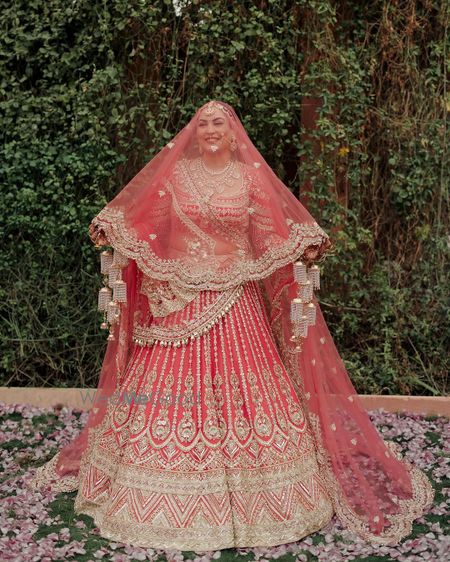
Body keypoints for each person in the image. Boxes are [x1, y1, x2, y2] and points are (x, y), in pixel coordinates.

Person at [26, 100, 434, 551]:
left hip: (236, 299)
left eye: (218, 123)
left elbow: (269, 231)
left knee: (249, 388)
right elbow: (149, 222)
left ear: (233, 131)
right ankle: (150, 492)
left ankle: (271, 493)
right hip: (177, 298)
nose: (210, 130)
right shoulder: (177, 174)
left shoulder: (249, 178)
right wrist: (113, 231)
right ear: (193, 132)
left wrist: (304, 245)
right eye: (202, 124)